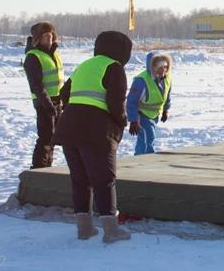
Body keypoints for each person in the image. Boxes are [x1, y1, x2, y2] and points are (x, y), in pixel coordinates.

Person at [54, 30, 133, 243]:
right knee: (104, 180)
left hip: (68, 128)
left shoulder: (85, 65)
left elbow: (64, 93)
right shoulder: (114, 67)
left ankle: (84, 229)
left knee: (80, 180)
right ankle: (111, 230)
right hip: (96, 131)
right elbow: (116, 102)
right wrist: (121, 121)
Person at [23, 21, 64, 169]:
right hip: (44, 103)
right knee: (46, 137)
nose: (50, 39)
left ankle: (47, 167)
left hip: (57, 102)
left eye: (51, 35)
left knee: (54, 138)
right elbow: (36, 85)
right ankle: (39, 168)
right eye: (46, 36)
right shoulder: (33, 57)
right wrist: (48, 105)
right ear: (38, 38)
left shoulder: (54, 54)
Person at [127, 52, 172, 155]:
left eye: (165, 66)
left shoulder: (167, 79)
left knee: (146, 138)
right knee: (148, 138)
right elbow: (131, 101)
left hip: (154, 115)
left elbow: (167, 95)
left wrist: (166, 110)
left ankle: (140, 159)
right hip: (141, 115)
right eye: (160, 67)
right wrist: (133, 120)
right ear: (153, 67)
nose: (163, 70)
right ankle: (146, 160)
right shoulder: (141, 81)